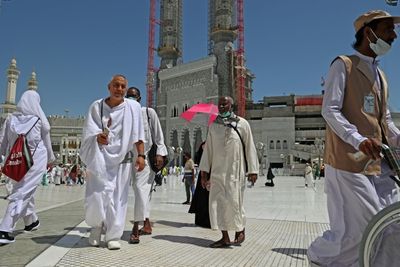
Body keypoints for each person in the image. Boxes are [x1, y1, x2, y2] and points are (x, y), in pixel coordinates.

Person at [307, 10, 400, 266]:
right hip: (350, 162)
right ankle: (317, 256)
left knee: (393, 226)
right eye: (387, 29)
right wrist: (357, 139)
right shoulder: (344, 65)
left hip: (380, 164)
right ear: (368, 32)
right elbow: (330, 110)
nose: (394, 35)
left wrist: (398, 139)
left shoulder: (381, 76)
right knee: (363, 229)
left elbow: (386, 120)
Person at [80, 75, 145, 250]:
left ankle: (113, 235)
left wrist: (141, 155)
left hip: (123, 159)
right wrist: (97, 138)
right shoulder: (97, 106)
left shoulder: (133, 107)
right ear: (109, 87)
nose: (119, 89)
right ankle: (96, 227)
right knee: (96, 196)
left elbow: (138, 134)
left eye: (123, 86)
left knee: (118, 198)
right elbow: (88, 132)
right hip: (99, 159)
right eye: (116, 85)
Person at [199, 96, 259, 248]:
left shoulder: (242, 124)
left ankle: (240, 229)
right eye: (220, 104)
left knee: (234, 202)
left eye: (225, 104)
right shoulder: (214, 126)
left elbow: (249, 146)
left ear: (231, 105)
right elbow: (209, 151)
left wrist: (253, 170)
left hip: (235, 172)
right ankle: (224, 236)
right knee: (217, 203)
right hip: (218, 172)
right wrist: (204, 173)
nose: (222, 107)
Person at [0, 90, 55, 244]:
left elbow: (2, 145)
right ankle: (5, 229)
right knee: (22, 192)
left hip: (15, 161)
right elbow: (47, 144)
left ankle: (31, 221)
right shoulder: (39, 121)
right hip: (36, 160)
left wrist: (5, 159)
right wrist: (50, 160)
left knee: (22, 189)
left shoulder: (10, 120)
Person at [125, 86, 167, 244]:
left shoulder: (148, 113)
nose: (131, 99)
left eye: (134, 96)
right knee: (143, 192)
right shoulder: (122, 114)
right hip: (127, 158)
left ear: (140, 99)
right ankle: (147, 224)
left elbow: (158, 135)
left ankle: (136, 227)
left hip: (146, 159)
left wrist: (160, 154)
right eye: (128, 96)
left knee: (140, 189)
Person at [189, 141, 211, 228]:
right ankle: (205, 221)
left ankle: (205, 220)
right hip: (205, 174)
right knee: (204, 198)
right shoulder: (205, 145)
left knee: (205, 198)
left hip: (208, 173)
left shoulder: (206, 144)